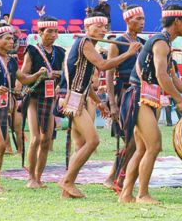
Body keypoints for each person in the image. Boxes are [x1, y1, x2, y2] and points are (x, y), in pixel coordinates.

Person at [117, 5, 182, 204]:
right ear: (177, 22)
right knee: (154, 146)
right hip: (139, 96)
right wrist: (180, 101)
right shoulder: (161, 43)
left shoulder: (165, 44)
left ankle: (126, 194)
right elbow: (161, 75)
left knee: (141, 149)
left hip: (146, 97)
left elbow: (175, 80)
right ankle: (142, 194)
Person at [53, 13, 140, 199]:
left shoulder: (85, 44)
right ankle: (67, 180)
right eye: (98, 27)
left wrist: (99, 102)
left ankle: (66, 192)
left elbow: (83, 79)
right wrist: (129, 53)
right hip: (73, 99)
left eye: (105, 27)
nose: (103, 30)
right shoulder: (85, 43)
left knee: (81, 144)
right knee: (93, 141)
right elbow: (103, 65)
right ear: (87, 28)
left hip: (76, 96)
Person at [0, 24, 44, 194]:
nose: (11, 41)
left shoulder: (12, 61)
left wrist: (39, 74)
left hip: (5, 106)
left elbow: (25, 79)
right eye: (7, 38)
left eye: (12, 38)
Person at [20, 16, 65, 189]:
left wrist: (58, 81)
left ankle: (39, 177)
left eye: (55, 31)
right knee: (36, 138)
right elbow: (23, 77)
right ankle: (31, 178)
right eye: (49, 31)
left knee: (46, 139)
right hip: (33, 97)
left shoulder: (60, 52)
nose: (53, 35)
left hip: (49, 98)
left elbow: (65, 75)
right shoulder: (32, 51)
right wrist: (40, 74)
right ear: (40, 33)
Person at [104, 5, 145, 190]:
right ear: (128, 21)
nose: (142, 23)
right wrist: (112, 103)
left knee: (136, 139)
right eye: (139, 19)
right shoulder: (118, 43)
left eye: (143, 19)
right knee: (128, 138)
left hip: (140, 93)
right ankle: (115, 177)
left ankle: (117, 176)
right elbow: (110, 74)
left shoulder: (144, 43)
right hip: (123, 92)